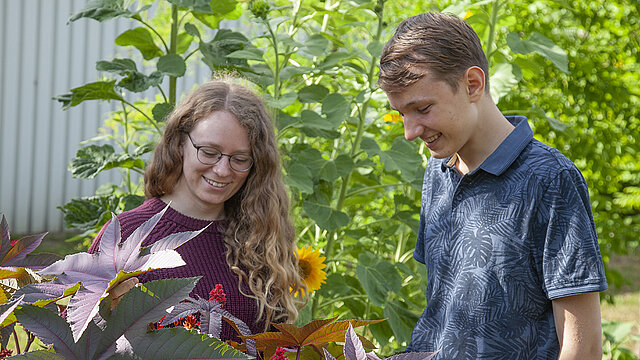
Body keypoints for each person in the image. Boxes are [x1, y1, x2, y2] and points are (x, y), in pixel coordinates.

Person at [377, 12, 607, 359]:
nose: (410, 132)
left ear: (473, 84)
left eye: (422, 108)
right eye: (401, 114)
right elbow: (445, 317)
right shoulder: (436, 172)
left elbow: (583, 347)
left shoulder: (550, 179)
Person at [88, 78, 305, 341]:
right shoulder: (126, 235)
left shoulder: (261, 240)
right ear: (180, 142)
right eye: (209, 151)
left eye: (239, 159)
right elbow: (78, 340)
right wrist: (103, 316)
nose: (222, 170)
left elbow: (279, 348)